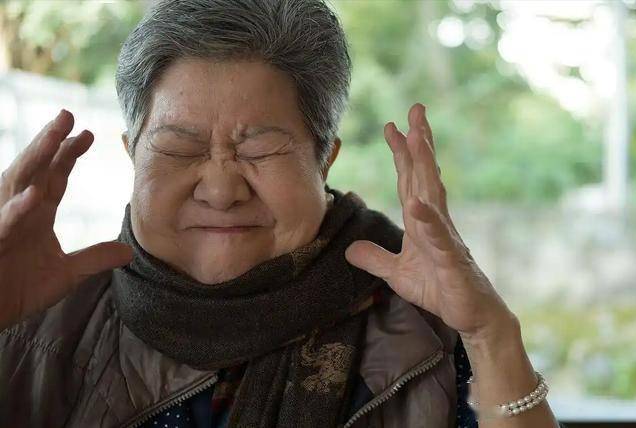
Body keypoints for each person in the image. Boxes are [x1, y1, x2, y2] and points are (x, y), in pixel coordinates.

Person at [0, 1, 560, 427]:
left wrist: (491, 337)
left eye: (261, 150)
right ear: (132, 154)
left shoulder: (425, 324)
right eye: (179, 148)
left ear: (324, 160)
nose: (221, 190)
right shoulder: (33, 314)